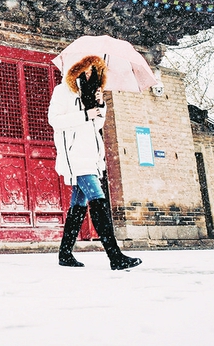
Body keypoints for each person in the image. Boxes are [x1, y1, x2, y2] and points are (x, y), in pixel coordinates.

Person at [49, 54, 142, 270]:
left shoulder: (93, 92)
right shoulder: (63, 91)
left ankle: (65, 253)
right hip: (75, 155)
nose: (90, 74)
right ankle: (114, 255)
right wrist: (84, 114)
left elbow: (97, 123)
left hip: (91, 154)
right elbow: (54, 120)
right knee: (98, 200)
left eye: (93, 70)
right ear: (77, 69)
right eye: (86, 69)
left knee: (78, 204)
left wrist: (100, 105)